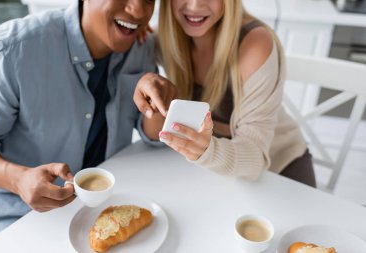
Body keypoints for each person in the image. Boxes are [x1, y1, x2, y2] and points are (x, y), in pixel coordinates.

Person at [0, 0, 176, 239]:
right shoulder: (12, 50)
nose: (138, 11)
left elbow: (150, 134)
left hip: (101, 213)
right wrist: (18, 180)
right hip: (18, 220)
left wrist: (158, 101)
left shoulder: (140, 44)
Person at [134, 0, 317, 187]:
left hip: (280, 167)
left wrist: (206, 150)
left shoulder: (255, 43)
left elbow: (254, 158)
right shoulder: (164, 40)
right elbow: (153, 133)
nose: (195, 6)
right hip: (220, 169)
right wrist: (149, 85)